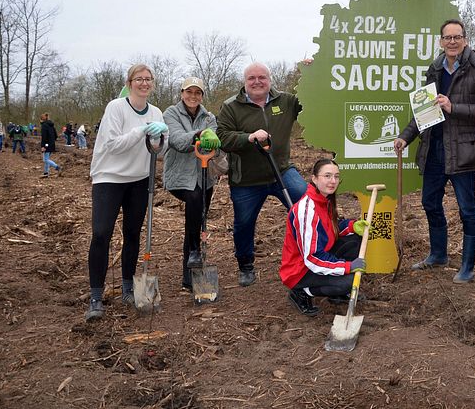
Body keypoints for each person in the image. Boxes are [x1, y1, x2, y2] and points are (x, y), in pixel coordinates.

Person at [393, 19, 475, 283]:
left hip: (463, 152)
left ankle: (467, 266)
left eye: (457, 37)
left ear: (465, 39)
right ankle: (438, 254)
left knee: (467, 209)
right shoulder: (436, 68)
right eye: (447, 37)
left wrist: (454, 107)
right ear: (440, 41)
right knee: (430, 203)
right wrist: (405, 137)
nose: (452, 42)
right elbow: (426, 110)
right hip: (434, 149)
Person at [85, 63, 168, 322]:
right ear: (130, 82)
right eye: (139, 79)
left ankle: (128, 289)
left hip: (139, 179)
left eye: (148, 79)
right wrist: (141, 130)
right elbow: (113, 145)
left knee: (132, 234)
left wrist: (159, 140)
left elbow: (161, 152)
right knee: (101, 234)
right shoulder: (116, 107)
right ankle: (96, 296)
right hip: (109, 178)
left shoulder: (156, 112)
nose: (144, 83)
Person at [217, 62, 308, 287]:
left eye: (262, 77)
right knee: (244, 223)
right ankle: (245, 265)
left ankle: (312, 257)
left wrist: (311, 73)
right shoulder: (231, 106)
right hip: (246, 179)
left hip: (282, 170)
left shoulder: (287, 101)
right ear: (244, 82)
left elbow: (313, 101)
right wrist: (248, 138)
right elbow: (223, 137)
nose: (257, 82)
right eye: (251, 78)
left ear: (270, 79)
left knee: (307, 206)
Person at [280, 159, 368, 315]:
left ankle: (336, 294)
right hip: (300, 270)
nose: (333, 181)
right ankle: (301, 292)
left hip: (319, 256)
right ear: (314, 178)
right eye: (327, 176)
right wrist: (346, 267)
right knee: (348, 281)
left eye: (336, 176)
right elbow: (312, 258)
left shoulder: (325, 200)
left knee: (355, 240)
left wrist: (351, 226)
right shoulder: (306, 210)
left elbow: (328, 231)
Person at [163, 77, 221, 291]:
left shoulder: (209, 117)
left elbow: (212, 141)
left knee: (195, 219)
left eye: (197, 93)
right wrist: (199, 134)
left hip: (204, 176)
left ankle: (190, 275)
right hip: (179, 176)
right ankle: (195, 249)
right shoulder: (170, 113)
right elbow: (177, 140)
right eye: (189, 92)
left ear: (202, 96)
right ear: (181, 93)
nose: (193, 96)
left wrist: (211, 140)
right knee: (194, 199)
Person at [39, 112, 62, 178]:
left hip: (47, 144)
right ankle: (46, 173)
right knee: (47, 158)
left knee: (45, 159)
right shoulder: (52, 125)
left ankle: (57, 167)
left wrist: (44, 146)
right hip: (52, 144)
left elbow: (44, 137)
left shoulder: (44, 125)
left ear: (42, 119)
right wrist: (51, 142)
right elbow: (55, 136)